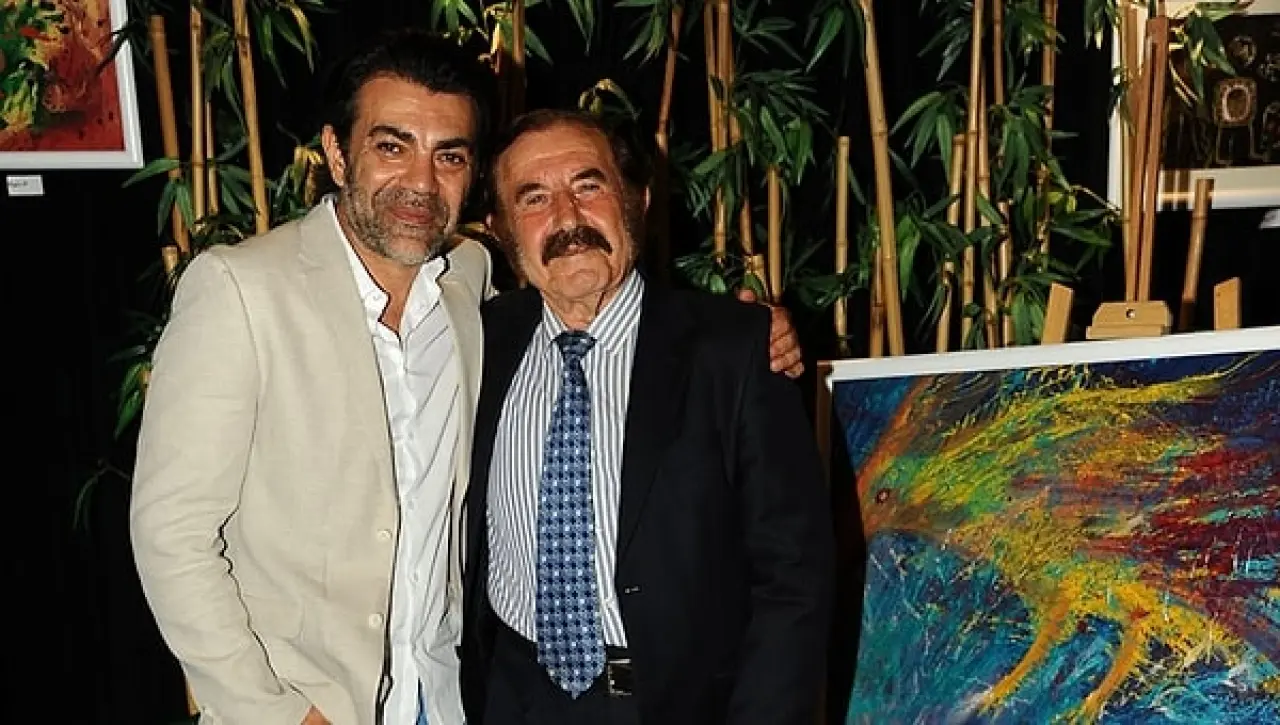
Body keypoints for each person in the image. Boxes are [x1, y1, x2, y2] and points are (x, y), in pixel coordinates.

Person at [131, 29, 804, 725]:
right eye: (392, 147)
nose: (422, 183)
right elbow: (171, 535)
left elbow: (788, 575)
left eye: (448, 155)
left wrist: (758, 334)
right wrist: (278, 713)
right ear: (336, 152)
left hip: (452, 699)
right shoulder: (240, 290)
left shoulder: (473, 290)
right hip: (310, 705)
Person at [460, 109, 834, 725]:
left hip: (677, 705)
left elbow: (793, 577)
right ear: (500, 230)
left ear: (637, 198)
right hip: (515, 697)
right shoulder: (477, 341)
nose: (568, 218)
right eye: (534, 198)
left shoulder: (734, 349)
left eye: (589, 185)